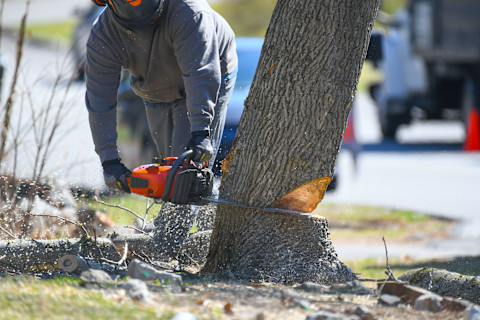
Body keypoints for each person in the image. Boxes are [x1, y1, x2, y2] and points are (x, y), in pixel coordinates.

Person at [85, 0, 238, 192]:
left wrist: (201, 132)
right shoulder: (103, 36)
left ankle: (178, 215)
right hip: (155, 88)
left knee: (184, 178)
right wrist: (109, 161)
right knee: (166, 177)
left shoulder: (189, 12)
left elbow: (201, 73)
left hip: (204, 76)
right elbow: (100, 101)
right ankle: (173, 211)